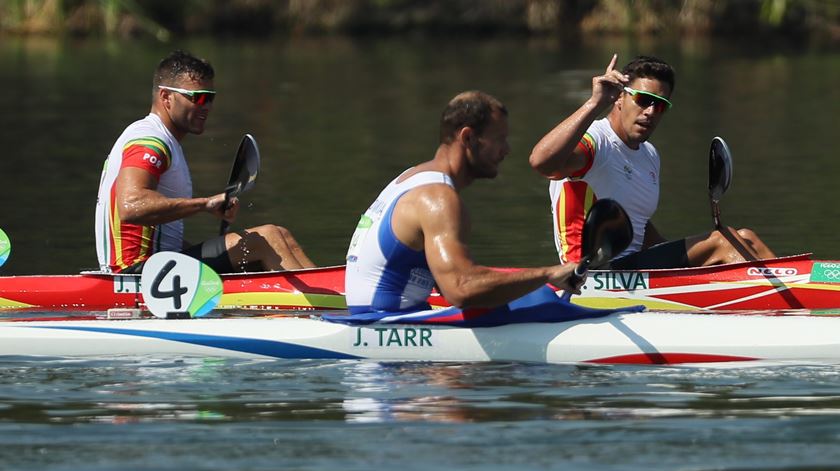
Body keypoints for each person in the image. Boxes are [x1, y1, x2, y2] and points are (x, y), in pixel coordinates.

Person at [528, 54, 776, 269]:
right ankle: (790, 307)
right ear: (619, 98)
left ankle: (804, 287)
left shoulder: (649, 155)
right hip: (591, 276)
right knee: (723, 242)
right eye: (643, 100)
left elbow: (641, 228)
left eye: (660, 105)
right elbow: (542, 163)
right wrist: (595, 103)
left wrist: (685, 262)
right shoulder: (596, 141)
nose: (650, 112)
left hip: (637, 273)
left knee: (745, 238)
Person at [344, 91, 582, 314]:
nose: (507, 150)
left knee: (532, 299)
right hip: (383, 329)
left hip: (382, 316)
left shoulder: (411, 177)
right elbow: (461, 289)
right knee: (541, 303)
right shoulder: (437, 198)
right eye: (500, 139)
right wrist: (548, 274)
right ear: (468, 137)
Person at [95, 50, 314, 274]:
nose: (206, 106)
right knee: (267, 237)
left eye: (210, 97)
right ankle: (321, 306)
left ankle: (332, 295)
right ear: (165, 97)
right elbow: (130, 206)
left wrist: (224, 261)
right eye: (197, 97)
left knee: (281, 235)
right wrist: (205, 204)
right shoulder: (150, 139)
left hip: (160, 266)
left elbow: (159, 236)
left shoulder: (165, 141)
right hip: (135, 272)